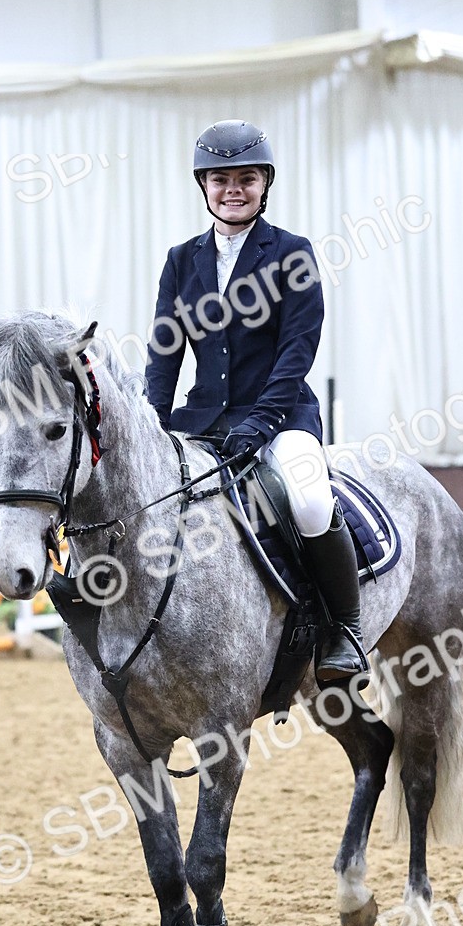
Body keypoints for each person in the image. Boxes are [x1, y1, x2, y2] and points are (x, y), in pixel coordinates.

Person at [145, 119, 366, 681]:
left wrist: (263, 421)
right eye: (220, 179)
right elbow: (165, 351)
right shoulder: (181, 260)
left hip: (282, 415)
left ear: (265, 183)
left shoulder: (292, 253)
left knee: (310, 500)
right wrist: (153, 424)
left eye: (246, 178)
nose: (233, 190)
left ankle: (343, 628)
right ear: (203, 185)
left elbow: (298, 348)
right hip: (203, 419)